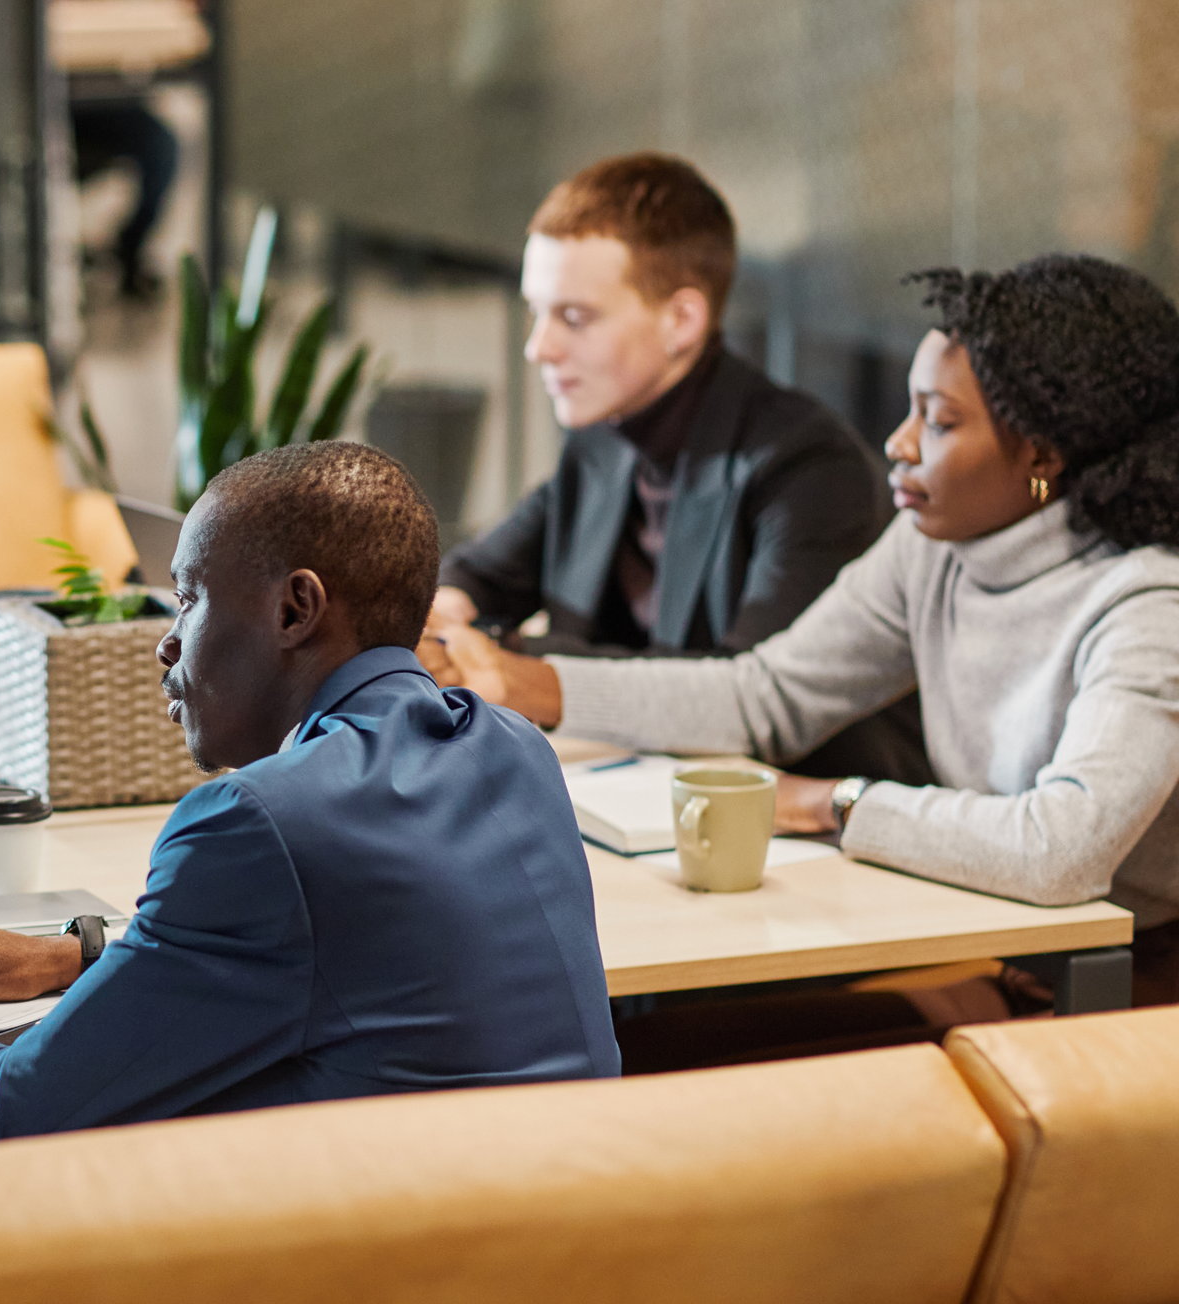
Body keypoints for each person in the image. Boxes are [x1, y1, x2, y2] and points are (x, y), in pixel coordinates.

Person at [424, 253, 1179, 1061]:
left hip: (1128, 988)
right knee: (630, 1044)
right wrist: (524, 683)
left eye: (940, 420)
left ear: (1043, 456)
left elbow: (1060, 848)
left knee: (668, 1060)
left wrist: (834, 803)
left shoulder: (1146, 606)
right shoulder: (939, 548)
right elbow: (768, 694)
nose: (899, 442)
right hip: (1005, 949)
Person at [0, 441, 621, 1152]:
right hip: (569, 1286)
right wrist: (85, 956)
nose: (166, 644)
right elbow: (357, 953)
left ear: (296, 609)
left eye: (188, 596)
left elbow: (8, 1118)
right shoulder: (513, 748)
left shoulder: (258, 823)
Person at [436, 153, 921, 781]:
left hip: (801, 829)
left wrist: (511, 663)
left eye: (574, 317)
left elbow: (743, 702)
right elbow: (479, 574)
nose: (538, 347)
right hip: (634, 796)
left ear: (682, 320)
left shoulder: (809, 469)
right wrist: (443, 620)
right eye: (537, 311)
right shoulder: (603, 438)